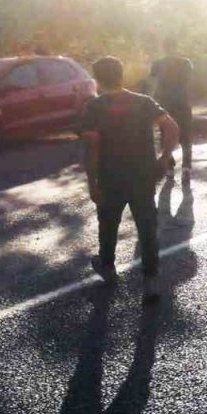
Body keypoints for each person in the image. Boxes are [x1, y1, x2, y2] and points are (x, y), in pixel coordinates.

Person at [80, 56, 180, 303]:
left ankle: (108, 267)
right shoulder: (143, 102)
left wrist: (91, 181)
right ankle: (151, 279)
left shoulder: (94, 108)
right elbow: (172, 128)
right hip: (142, 175)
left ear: (98, 80)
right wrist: (164, 157)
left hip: (110, 176)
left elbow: (93, 146)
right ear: (121, 75)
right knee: (147, 227)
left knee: (108, 224)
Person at [149, 37, 194, 172]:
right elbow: (189, 80)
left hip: (164, 101)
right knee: (185, 131)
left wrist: (153, 98)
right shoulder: (186, 63)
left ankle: (169, 162)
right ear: (176, 47)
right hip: (181, 100)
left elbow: (152, 81)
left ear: (164, 48)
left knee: (165, 132)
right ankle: (186, 164)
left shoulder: (157, 63)